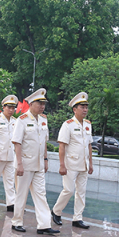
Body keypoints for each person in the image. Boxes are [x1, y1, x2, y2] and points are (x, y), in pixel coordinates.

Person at [11, 88, 58, 235]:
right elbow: (17, 142)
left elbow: (43, 142)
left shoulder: (43, 120)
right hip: (24, 163)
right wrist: (19, 164)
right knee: (21, 193)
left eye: (44, 103)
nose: (42, 106)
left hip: (38, 163)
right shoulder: (22, 120)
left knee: (40, 193)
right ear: (31, 104)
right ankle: (17, 221)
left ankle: (44, 224)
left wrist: (45, 159)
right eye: (39, 103)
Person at [52, 92, 93, 229]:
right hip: (71, 164)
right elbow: (62, 145)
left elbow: (89, 145)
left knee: (81, 192)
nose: (85, 110)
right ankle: (56, 211)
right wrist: (62, 165)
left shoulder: (88, 124)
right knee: (68, 190)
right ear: (75, 109)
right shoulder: (67, 125)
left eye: (86, 107)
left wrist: (91, 163)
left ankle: (78, 218)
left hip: (84, 164)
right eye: (82, 107)